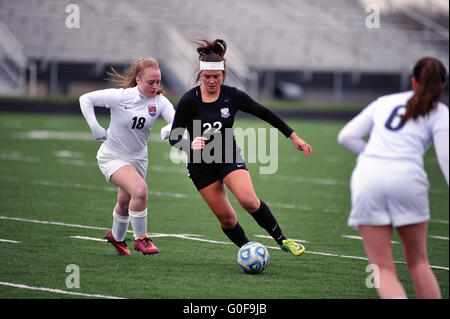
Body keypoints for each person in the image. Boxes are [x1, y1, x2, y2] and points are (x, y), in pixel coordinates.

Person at [169, 39, 312, 256]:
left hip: (228, 155)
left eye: (216, 77)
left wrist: (294, 137)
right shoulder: (189, 100)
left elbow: (265, 113)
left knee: (249, 201)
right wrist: (188, 144)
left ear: (223, 75)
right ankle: (248, 250)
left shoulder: (232, 96)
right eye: (207, 77)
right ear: (201, 75)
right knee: (227, 218)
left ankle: (283, 240)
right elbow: (174, 136)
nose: (211, 81)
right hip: (200, 165)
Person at [338, 57, 448, 299]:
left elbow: (346, 136)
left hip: (368, 176)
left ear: (414, 80)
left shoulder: (385, 101)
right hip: (408, 178)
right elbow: (446, 156)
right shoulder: (440, 113)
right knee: (418, 263)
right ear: (441, 86)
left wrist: (373, 155)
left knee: (382, 268)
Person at [79, 58, 175, 256]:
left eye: (158, 82)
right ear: (138, 79)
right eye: (151, 82)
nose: (155, 86)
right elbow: (85, 99)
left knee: (125, 202)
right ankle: (141, 239)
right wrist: (95, 126)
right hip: (112, 156)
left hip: (139, 159)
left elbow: (177, 120)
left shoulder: (160, 101)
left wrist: (170, 128)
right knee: (140, 191)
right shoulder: (121, 96)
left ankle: (117, 237)